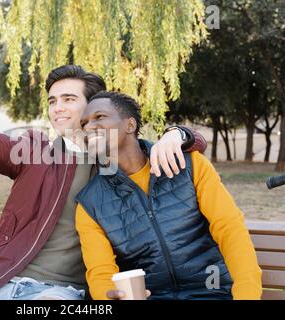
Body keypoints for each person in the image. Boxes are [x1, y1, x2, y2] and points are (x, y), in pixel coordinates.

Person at [0, 34, 208, 300]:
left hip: (60, 293)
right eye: (52, 100)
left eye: (68, 99)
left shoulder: (116, 160)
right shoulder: (33, 152)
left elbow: (164, 149)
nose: (57, 107)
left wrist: (179, 135)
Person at [75, 91, 262, 300]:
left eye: (99, 117)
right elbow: (101, 274)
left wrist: (247, 294)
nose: (89, 127)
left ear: (130, 125)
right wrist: (109, 296)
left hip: (213, 291)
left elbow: (229, 229)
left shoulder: (189, 165)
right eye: (84, 124)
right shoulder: (89, 203)